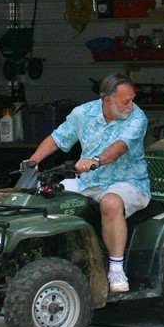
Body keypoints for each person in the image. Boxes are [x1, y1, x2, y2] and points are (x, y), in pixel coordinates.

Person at [25, 73, 150, 292]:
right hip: (87, 182)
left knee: (110, 203)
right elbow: (58, 138)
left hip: (128, 182)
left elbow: (119, 147)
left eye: (132, 99)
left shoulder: (138, 118)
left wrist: (96, 160)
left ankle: (116, 269)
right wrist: (33, 161)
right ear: (107, 100)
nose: (131, 105)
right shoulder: (83, 113)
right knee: (43, 197)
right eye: (125, 101)